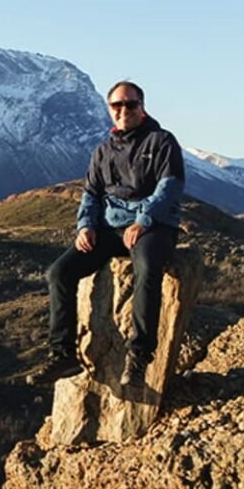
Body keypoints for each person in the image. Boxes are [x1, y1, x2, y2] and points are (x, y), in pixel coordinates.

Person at [34, 80, 185, 387]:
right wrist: (85, 226)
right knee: (59, 273)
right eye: (117, 105)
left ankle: (139, 354)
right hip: (110, 228)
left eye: (130, 104)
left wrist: (143, 220)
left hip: (153, 227)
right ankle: (63, 354)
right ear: (109, 110)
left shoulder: (161, 141)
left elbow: (169, 187)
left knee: (147, 267)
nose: (123, 110)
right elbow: (90, 194)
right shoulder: (102, 151)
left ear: (142, 109)